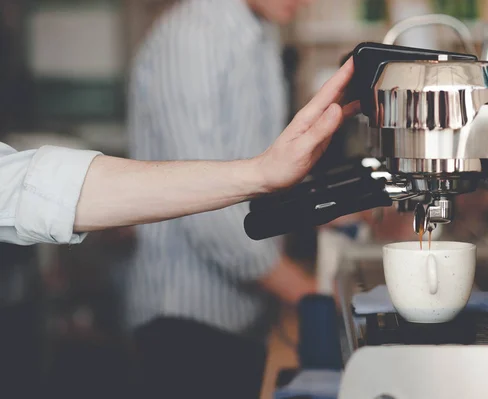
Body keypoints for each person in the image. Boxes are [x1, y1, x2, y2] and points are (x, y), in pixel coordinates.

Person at [125, 1, 345, 398]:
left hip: (240, 315)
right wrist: (312, 295)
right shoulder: (196, 36)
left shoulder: (257, 32)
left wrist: (330, 207)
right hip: (187, 325)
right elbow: (205, 208)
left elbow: (259, 170)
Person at [0, 57, 357, 246]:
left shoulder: (256, 37)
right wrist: (261, 173)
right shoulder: (194, 39)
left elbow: (31, 189)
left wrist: (262, 172)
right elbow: (34, 192)